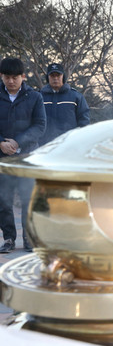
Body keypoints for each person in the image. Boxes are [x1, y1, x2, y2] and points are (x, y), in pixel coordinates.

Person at [0, 58, 46, 253]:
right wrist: (1, 143)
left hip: (27, 156)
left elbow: (40, 125)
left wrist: (17, 142)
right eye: (7, 77)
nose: (11, 81)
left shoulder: (34, 97)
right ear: (1, 76)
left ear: (23, 77)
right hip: (2, 158)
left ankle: (29, 238)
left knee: (29, 198)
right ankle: (9, 238)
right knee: (3, 200)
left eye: (15, 77)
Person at [39, 63, 90, 145]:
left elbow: (84, 122)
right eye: (52, 75)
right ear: (48, 77)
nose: (55, 78)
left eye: (58, 75)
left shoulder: (76, 97)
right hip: (43, 145)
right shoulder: (39, 97)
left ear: (63, 76)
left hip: (69, 144)